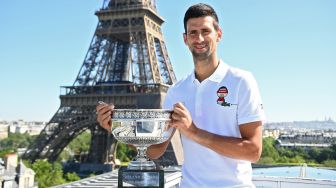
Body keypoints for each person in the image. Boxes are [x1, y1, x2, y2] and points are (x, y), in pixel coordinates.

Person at [96, 3, 265, 187]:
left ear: (219, 35)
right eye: (193, 32)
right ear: (185, 39)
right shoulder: (177, 90)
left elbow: (253, 151)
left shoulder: (241, 81)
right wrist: (118, 129)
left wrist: (193, 132)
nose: (199, 38)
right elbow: (155, 151)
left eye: (205, 31)